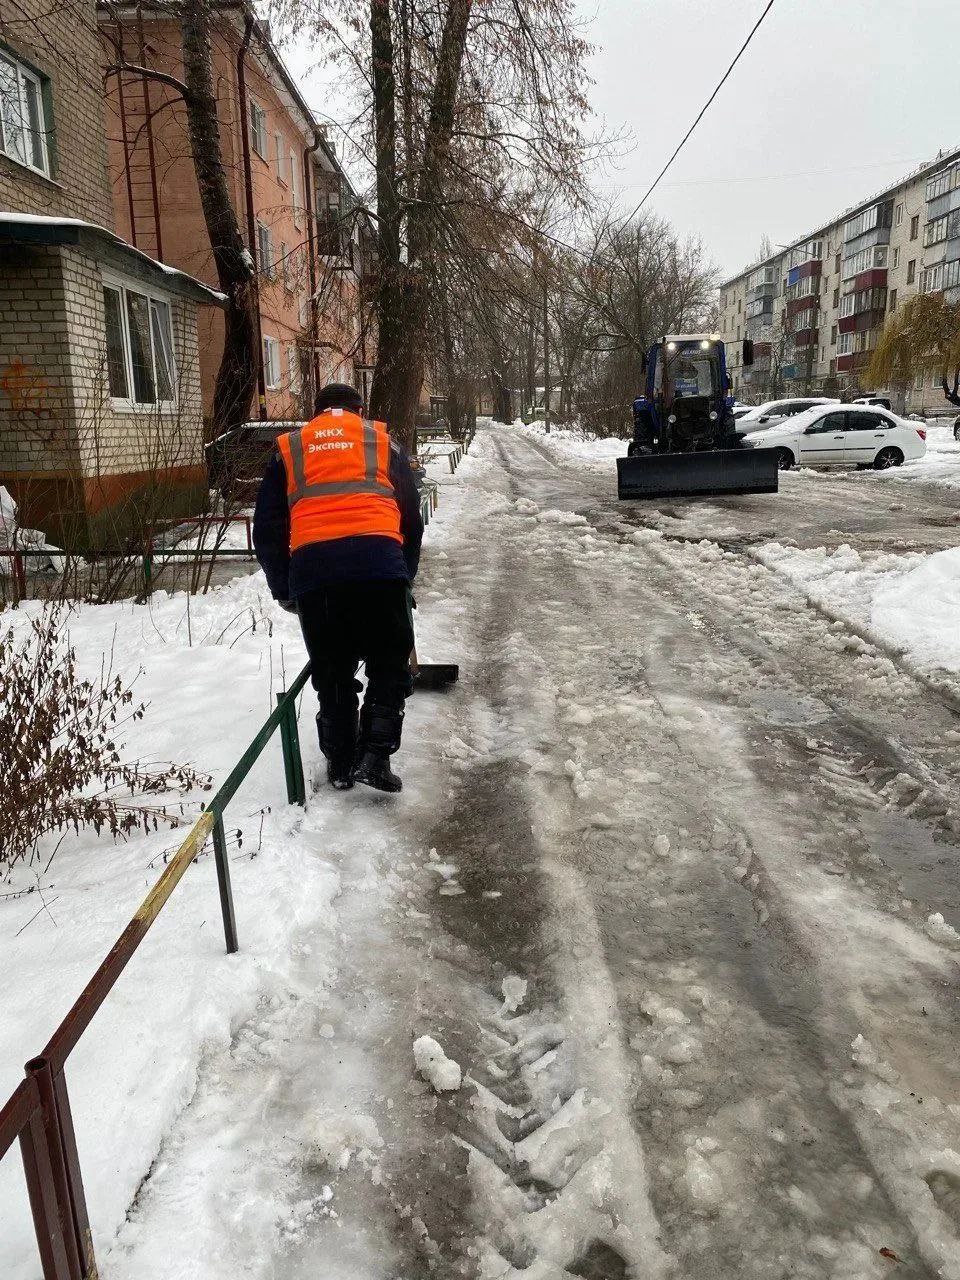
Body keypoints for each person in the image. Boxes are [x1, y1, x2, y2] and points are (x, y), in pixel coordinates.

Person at [253, 383, 423, 793]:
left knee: (332, 670)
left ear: (316, 412)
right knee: (388, 661)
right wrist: (405, 574)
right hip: (380, 566)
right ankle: (375, 757)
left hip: (317, 573)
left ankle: (342, 764)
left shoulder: (290, 449)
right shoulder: (381, 442)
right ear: (359, 410)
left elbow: (268, 528)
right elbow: (411, 517)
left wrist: (285, 588)